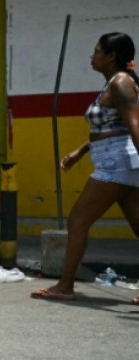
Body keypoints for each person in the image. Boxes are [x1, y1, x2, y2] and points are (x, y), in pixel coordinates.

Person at [32, 32, 139, 302]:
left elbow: (134, 126)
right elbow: (109, 128)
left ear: (112, 56)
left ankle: (65, 286)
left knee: (77, 220)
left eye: (97, 51)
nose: (92, 56)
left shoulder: (121, 83)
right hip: (118, 161)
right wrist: (80, 151)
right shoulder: (114, 83)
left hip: (116, 163)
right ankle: (65, 285)